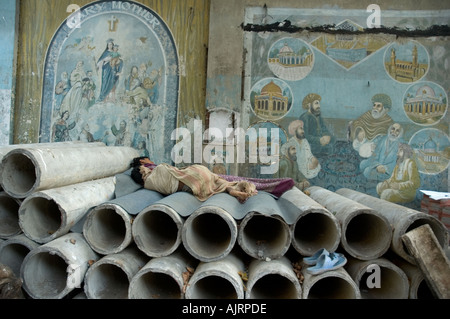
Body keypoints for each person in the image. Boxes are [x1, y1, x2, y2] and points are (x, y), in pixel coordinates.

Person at [130, 157, 258, 203]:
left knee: (214, 188)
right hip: (197, 172)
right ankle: (231, 188)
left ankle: (230, 190)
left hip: (192, 182)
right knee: (218, 181)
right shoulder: (152, 168)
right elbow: (163, 169)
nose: (151, 162)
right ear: (143, 164)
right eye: (148, 161)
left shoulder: (149, 183)